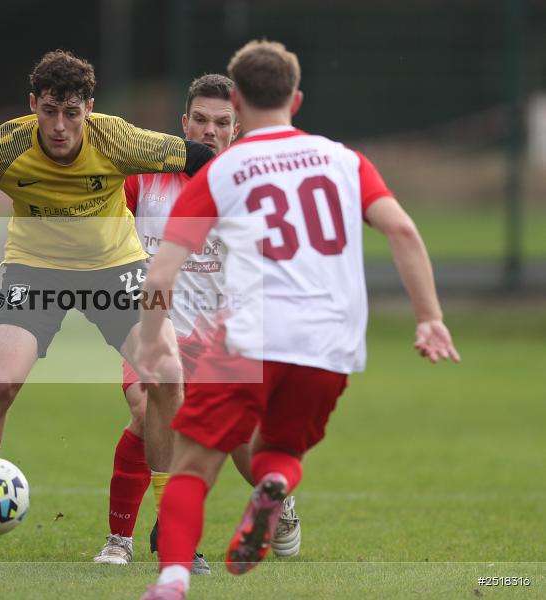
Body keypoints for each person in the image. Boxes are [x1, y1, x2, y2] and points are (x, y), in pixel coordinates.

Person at [136, 40, 461, 599]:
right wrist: (429, 318)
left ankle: (171, 581)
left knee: (191, 465)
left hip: (251, 337)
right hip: (330, 344)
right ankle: (275, 486)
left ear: (235, 103)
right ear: (297, 98)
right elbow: (404, 231)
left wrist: (150, 344)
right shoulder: (344, 160)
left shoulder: (221, 171)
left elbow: (160, 276)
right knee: (279, 452)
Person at [0, 49, 214, 569]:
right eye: (49, 110)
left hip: (116, 270)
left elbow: (200, 159)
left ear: (89, 109)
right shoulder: (8, 145)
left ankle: (173, 528)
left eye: (72, 112)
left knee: (165, 378)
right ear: (34, 106)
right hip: (35, 270)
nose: (60, 125)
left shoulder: (116, 138)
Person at [92, 74, 300, 574]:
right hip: (153, 332)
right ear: (184, 124)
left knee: (239, 446)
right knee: (146, 413)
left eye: (221, 122)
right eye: (200, 120)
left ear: (238, 127)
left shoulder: (249, 189)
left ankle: (280, 504)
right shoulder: (145, 179)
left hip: (221, 338)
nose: (209, 130)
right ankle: (120, 538)